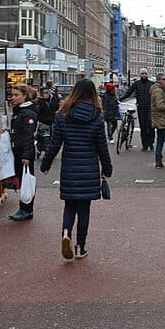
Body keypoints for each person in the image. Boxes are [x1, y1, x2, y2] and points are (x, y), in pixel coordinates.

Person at [40, 79, 113, 260]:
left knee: (69, 205)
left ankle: (66, 233)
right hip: (89, 168)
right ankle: (80, 247)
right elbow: (102, 146)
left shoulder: (63, 114)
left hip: (69, 168)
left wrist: (45, 164)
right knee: (84, 210)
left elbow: (55, 144)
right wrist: (107, 168)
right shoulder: (96, 116)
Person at [8, 84, 40, 221]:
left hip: (24, 152)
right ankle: (24, 207)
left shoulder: (28, 113)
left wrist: (27, 155)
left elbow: (28, 135)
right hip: (18, 150)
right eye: (12, 95)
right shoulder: (19, 111)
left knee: (27, 179)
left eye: (16, 95)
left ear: (24, 96)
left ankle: (26, 209)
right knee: (22, 178)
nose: (13, 98)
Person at [120, 68, 155, 151]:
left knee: (150, 126)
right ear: (140, 75)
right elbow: (129, 92)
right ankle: (144, 145)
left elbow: (156, 94)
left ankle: (151, 143)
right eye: (142, 73)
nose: (144, 75)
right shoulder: (136, 83)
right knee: (142, 127)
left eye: (145, 73)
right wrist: (120, 99)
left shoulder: (151, 84)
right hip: (141, 108)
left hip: (150, 108)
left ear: (148, 74)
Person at [35, 87, 59, 157]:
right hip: (43, 122)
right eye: (44, 93)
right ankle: (42, 150)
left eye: (47, 93)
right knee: (44, 137)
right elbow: (38, 111)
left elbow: (56, 107)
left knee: (51, 138)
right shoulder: (39, 101)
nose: (46, 95)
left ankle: (46, 150)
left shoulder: (53, 100)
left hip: (52, 122)